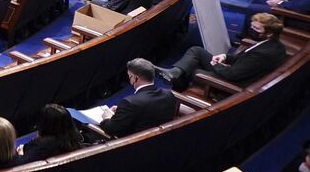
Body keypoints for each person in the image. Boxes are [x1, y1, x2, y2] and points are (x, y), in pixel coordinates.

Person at [156, 12, 287, 90]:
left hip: (233, 83)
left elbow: (232, 75)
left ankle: (177, 91)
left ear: (269, 33)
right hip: (237, 71)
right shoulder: (274, 45)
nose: (251, 30)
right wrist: (225, 56)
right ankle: (174, 72)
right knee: (196, 51)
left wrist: (215, 64)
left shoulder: (262, 53)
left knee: (194, 69)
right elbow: (243, 58)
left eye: (256, 29)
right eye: (251, 26)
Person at [91, 58, 176, 139]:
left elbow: (111, 129)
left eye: (129, 76)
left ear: (135, 78)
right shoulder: (168, 94)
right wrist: (122, 111)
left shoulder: (130, 102)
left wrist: (107, 118)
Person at [16, 104, 85, 164]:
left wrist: (21, 153)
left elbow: (23, 164)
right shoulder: (76, 141)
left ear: (44, 124)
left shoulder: (41, 146)